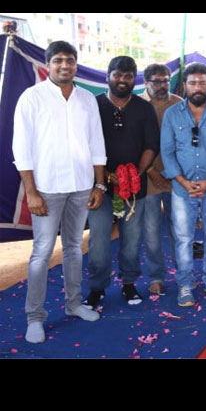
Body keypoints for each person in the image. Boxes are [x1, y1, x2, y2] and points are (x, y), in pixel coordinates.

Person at [12, 41, 106, 343]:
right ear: (49, 64)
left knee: (74, 248)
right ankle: (34, 317)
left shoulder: (86, 99)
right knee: (41, 253)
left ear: (76, 64)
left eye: (70, 60)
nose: (65, 65)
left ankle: (74, 304)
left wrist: (99, 184)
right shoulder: (32, 97)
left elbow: (97, 143)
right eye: (58, 60)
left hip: (81, 186)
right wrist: (31, 192)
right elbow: (21, 148)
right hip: (47, 188)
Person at [85, 56, 160, 309]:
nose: (122, 80)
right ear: (108, 76)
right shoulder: (94, 105)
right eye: (117, 74)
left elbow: (151, 145)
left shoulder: (144, 108)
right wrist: (106, 175)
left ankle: (129, 284)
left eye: (128, 76)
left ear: (134, 80)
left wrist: (135, 174)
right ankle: (97, 288)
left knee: (132, 241)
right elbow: (85, 145)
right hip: (100, 187)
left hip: (134, 189)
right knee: (98, 242)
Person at [161, 63, 206, 305]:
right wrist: (182, 181)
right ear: (185, 85)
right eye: (192, 83)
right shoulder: (172, 114)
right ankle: (185, 284)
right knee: (183, 238)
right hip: (182, 189)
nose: (197, 87)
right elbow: (167, 151)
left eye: (202, 83)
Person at [140, 63, 183, 296]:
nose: (162, 85)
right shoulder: (137, 104)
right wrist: (150, 171)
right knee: (152, 231)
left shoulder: (179, 103)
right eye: (156, 81)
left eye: (165, 80)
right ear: (145, 82)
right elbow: (135, 142)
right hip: (148, 178)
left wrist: (176, 173)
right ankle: (156, 276)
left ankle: (183, 274)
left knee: (180, 229)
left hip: (176, 178)